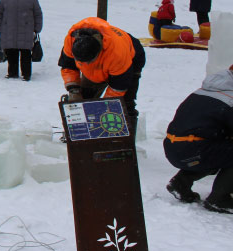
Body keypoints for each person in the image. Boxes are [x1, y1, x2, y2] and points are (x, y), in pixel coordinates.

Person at [163, 65, 233, 214]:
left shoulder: (207, 90)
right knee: (222, 151)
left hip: (174, 149)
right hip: (194, 150)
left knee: (218, 150)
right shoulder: (230, 99)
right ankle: (219, 199)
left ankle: (180, 183)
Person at [59, 17, 146, 125]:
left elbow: (119, 87)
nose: (86, 65)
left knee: (124, 103)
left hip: (130, 61)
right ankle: (81, 134)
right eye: (82, 62)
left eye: (89, 62)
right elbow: (68, 66)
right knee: (83, 99)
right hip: (102, 64)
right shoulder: (71, 40)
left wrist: (105, 107)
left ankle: (125, 134)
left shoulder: (117, 54)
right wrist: (74, 90)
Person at [0, 0, 43, 81]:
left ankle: (26, 74)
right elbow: (0, 12)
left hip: (26, 29)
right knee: (11, 52)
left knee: (26, 53)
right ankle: (12, 73)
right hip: (9, 29)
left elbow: (38, 13)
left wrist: (37, 27)